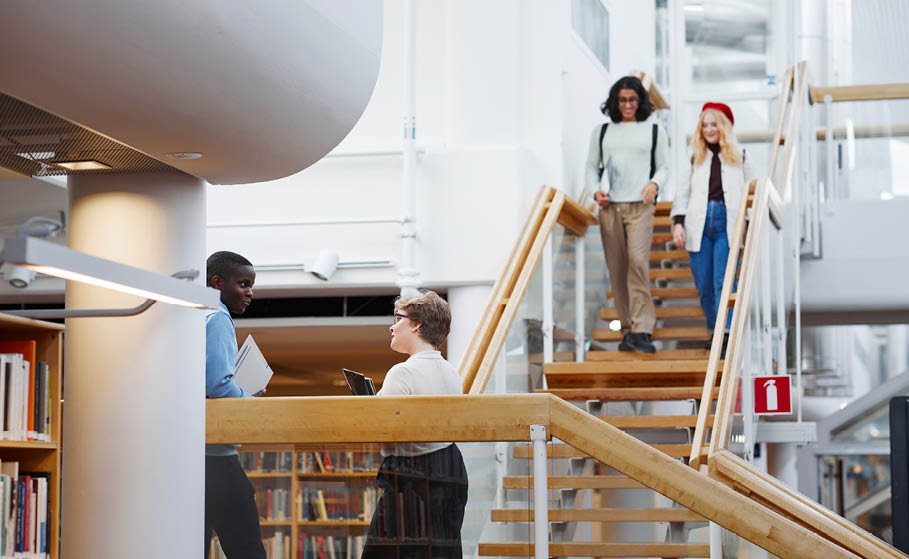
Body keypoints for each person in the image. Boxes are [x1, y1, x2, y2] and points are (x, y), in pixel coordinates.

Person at [361, 290, 468, 559]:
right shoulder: (452, 372)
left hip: (412, 474)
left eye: (398, 318)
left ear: (417, 325)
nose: (392, 326)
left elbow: (382, 431)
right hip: (451, 467)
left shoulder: (403, 372)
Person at [585, 75, 669, 353]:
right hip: (610, 207)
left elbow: (664, 167)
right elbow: (590, 169)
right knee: (617, 269)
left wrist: (654, 184)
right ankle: (627, 329)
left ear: (640, 101)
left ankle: (643, 327)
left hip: (640, 206)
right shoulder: (602, 131)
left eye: (632, 99)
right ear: (615, 102)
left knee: (637, 262)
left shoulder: (655, 131)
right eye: (622, 100)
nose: (628, 104)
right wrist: (595, 190)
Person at [671, 103, 754, 347]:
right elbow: (682, 193)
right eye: (704, 125)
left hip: (728, 223)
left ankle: (725, 335)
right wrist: (678, 224)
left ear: (724, 126)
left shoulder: (741, 155)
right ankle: (714, 328)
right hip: (698, 223)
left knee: (724, 281)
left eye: (713, 124)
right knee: (704, 283)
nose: (709, 129)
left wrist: (748, 226)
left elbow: (752, 191)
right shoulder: (695, 156)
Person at [204, 251, 266, 559]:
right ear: (217, 283)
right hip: (216, 457)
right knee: (248, 550)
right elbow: (218, 385)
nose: (250, 293)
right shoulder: (217, 318)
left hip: (191, 455)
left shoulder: (195, 313)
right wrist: (249, 402)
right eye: (243, 284)